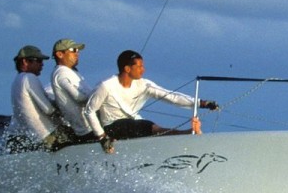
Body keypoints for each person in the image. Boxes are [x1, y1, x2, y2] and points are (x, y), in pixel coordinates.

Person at [84, 49, 218, 154]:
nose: (144, 69)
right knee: (146, 126)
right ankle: (186, 134)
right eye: (140, 66)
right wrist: (102, 137)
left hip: (131, 125)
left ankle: (179, 139)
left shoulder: (144, 85)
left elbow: (171, 97)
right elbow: (89, 111)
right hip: (111, 127)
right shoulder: (106, 86)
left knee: (139, 125)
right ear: (127, 69)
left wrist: (202, 103)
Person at [7, 44, 67, 152]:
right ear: (25, 62)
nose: (42, 64)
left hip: (35, 136)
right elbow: (48, 109)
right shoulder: (29, 78)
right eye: (38, 61)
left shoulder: (17, 80)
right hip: (48, 135)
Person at [50, 38, 98, 146]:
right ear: (59, 54)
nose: (77, 53)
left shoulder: (71, 72)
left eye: (78, 50)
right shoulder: (61, 73)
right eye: (73, 50)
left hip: (92, 126)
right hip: (87, 130)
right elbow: (80, 98)